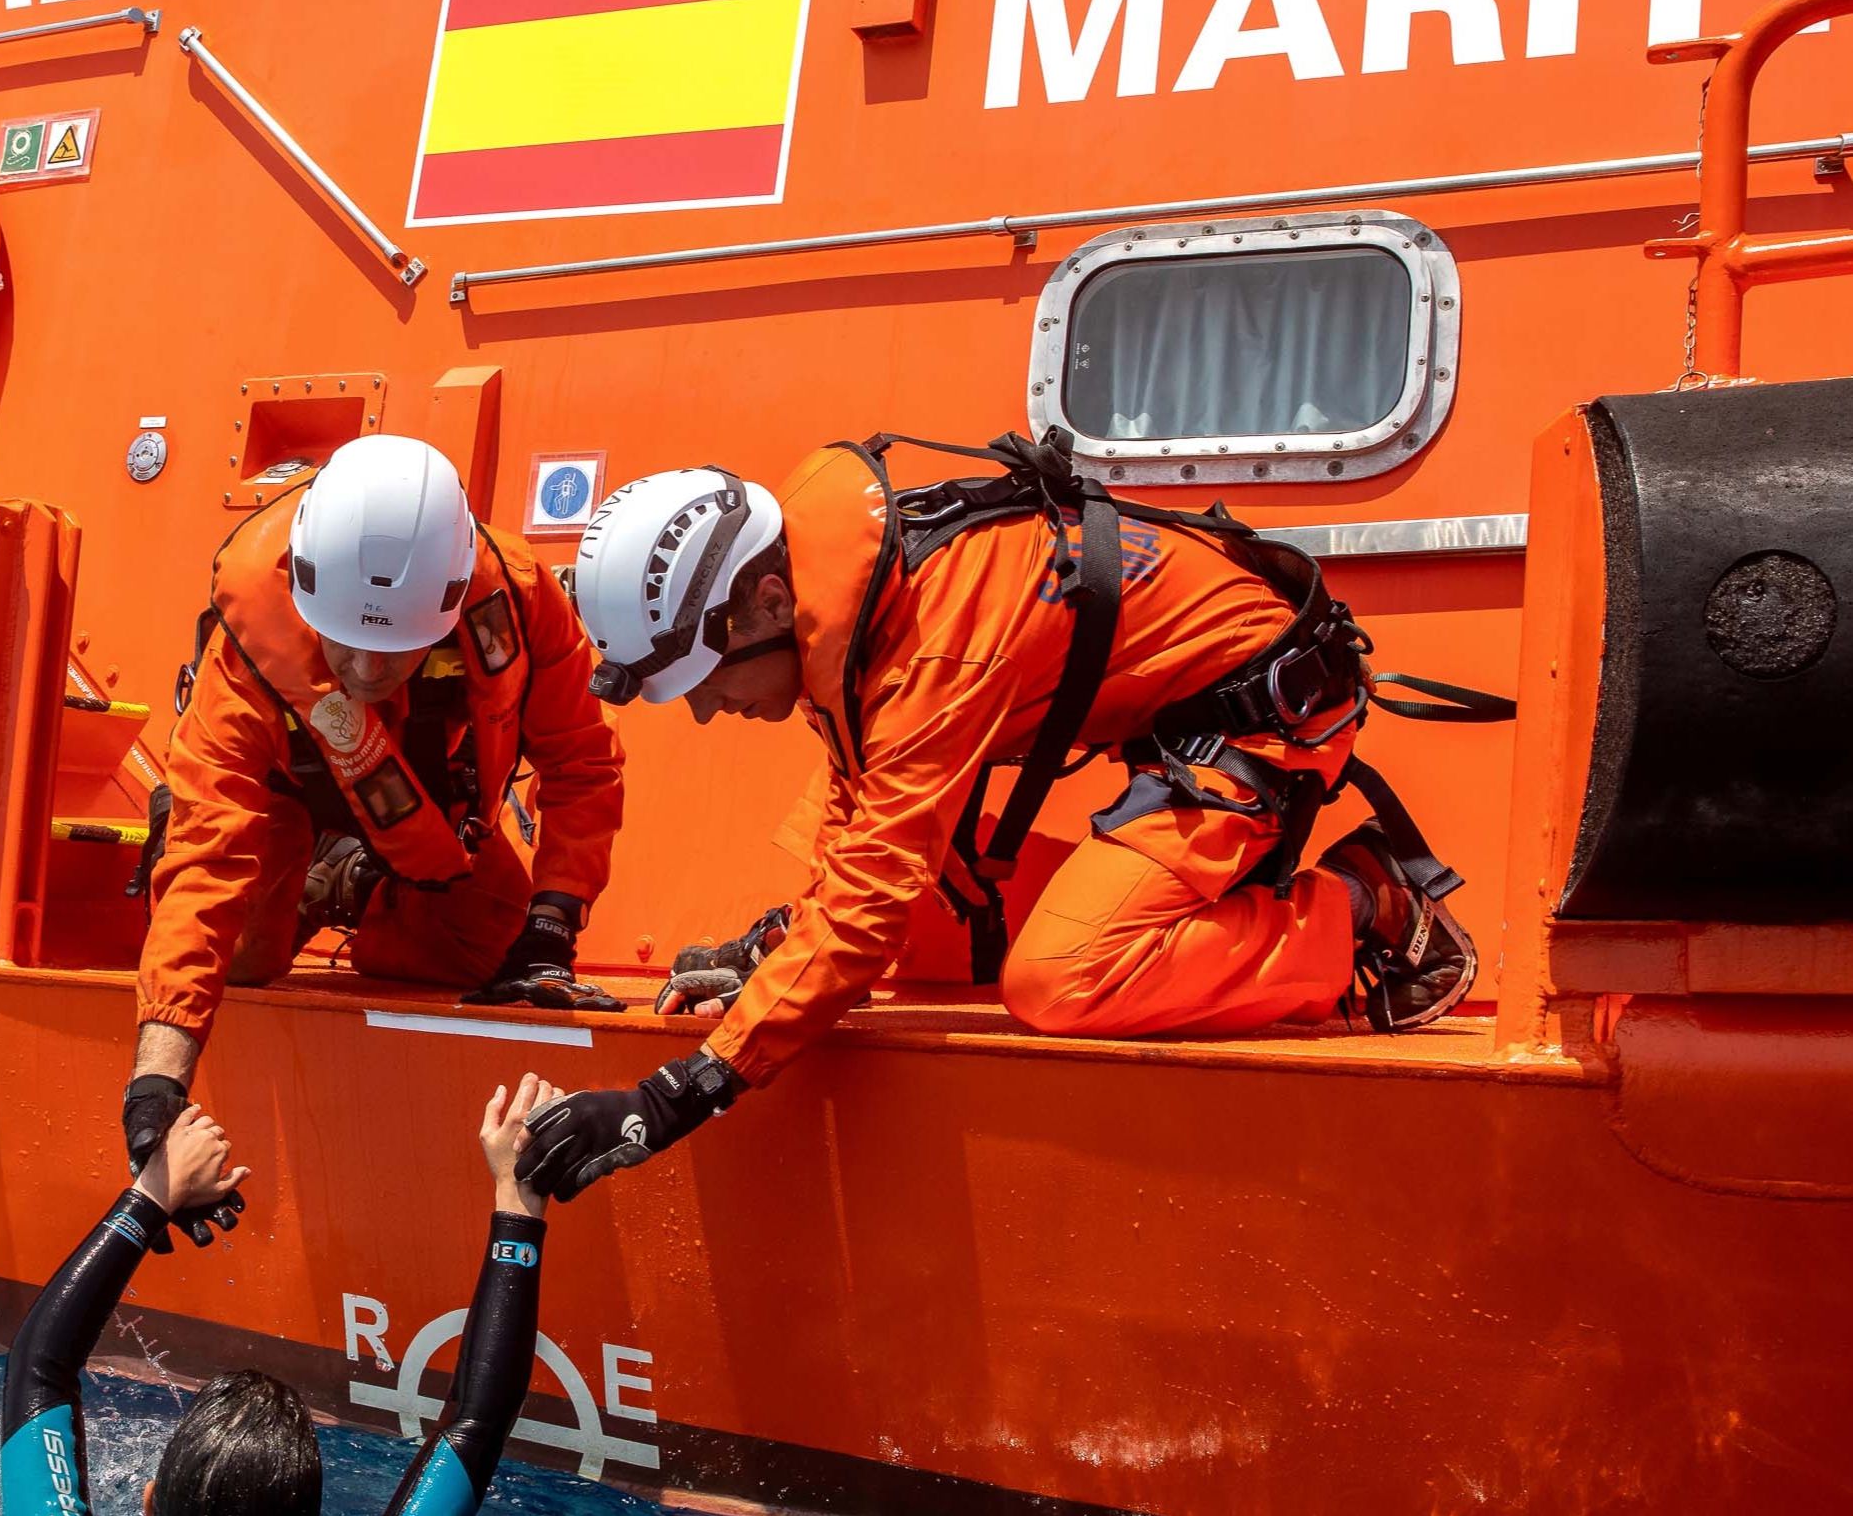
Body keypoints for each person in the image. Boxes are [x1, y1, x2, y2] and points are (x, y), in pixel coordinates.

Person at [517, 431, 1488, 1201]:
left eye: (704, 677)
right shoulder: (838, 594)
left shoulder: (929, 649)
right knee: (860, 869)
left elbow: (866, 903)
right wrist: (782, 953)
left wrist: (678, 1093)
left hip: (1263, 721)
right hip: (1171, 718)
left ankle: (1368, 913)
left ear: (767, 599)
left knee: (1058, 981)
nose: (705, 707)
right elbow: (861, 824)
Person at [124, 434, 625, 1186]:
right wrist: (157, 1078)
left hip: (423, 803)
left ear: (454, 601)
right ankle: (323, 870)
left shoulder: (517, 600)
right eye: (344, 643)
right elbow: (207, 856)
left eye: (394, 650)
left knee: (492, 950)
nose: (363, 670)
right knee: (243, 962)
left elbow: (582, 759)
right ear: (300, 583)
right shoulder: (248, 649)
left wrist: (553, 924)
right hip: (281, 798)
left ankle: (354, 882)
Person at [0, 1073, 559, 1516]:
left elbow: (38, 1367)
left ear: (151, 1505)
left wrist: (152, 1195)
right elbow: (478, 1421)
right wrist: (519, 1193)